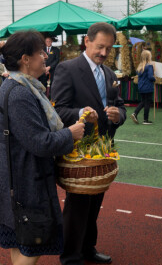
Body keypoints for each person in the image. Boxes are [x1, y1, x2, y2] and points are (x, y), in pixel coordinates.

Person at [0, 30, 85, 265]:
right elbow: (40, 143)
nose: (45, 56)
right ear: (25, 59)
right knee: (31, 246)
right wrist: (70, 134)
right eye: (40, 52)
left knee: (19, 242)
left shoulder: (17, 86)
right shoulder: (20, 94)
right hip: (25, 183)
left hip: (15, 180)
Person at [52, 22, 126, 265]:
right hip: (79, 151)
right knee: (77, 207)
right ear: (87, 41)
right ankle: (70, 257)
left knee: (95, 202)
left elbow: (120, 106)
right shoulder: (67, 69)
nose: (104, 53)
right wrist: (82, 112)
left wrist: (118, 115)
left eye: (108, 49)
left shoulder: (109, 73)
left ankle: (87, 249)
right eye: (100, 47)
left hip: (103, 150)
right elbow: (58, 110)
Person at [130, 50, 155, 125]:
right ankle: (145, 119)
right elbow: (150, 77)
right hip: (148, 86)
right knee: (147, 102)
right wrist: (154, 79)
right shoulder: (149, 66)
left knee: (143, 101)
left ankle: (135, 113)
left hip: (141, 86)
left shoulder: (140, 66)